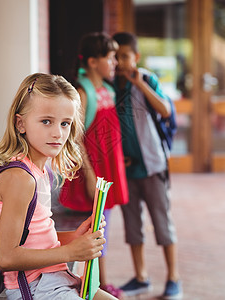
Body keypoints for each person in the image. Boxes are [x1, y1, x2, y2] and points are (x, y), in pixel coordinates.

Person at [0, 72, 118, 300]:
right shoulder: (20, 178)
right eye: (46, 121)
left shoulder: (40, 171)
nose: (58, 133)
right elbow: (6, 257)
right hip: (34, 288)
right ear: (20, 123)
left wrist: (74, 237)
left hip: (54, 278)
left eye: (65, 123)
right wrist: (69, 252)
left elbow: (34, 239)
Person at [112, 32, 183, 299]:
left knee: (162, 222)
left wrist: (140, 85)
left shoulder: (146, 79)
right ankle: (141, 277)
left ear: (136, 57)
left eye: (125, 56)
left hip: (153, 166)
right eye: (115, 57)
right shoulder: (110, 85)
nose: (120, 62)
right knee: (132, 225)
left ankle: (173, 278)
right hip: (127, 170)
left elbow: (165, 110)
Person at [58, 32, 129, 299]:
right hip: (93, 171)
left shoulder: (108, 90)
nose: (114, 63)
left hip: (109, 169)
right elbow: (75, 138)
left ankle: (100, 282)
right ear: (91, 61)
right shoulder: (82, 92)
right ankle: (93, 284)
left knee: (104, 224)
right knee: (94, 226)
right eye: (109, 57)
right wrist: (88, 174)